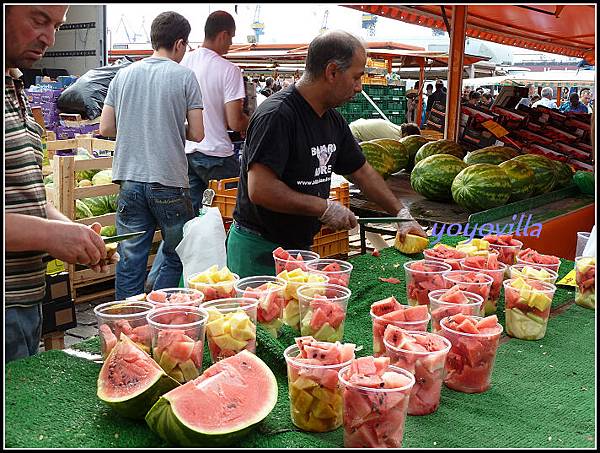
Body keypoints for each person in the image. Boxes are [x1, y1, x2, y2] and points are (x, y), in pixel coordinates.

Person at [226, 30, 426, 277]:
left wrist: (400, 214)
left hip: (299, 246)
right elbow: (261, 189)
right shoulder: (277, 115)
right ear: (332, 72)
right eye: (356, 77)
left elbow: (361, 171)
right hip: (260, 248)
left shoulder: (333, 120)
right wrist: (324, 207)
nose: (358, 87)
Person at [5, 5, 117, 363]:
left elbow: (29, 196)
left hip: (24, 301)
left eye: (56, 25)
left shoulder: (14, 83)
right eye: (39, 20)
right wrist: (50, 237)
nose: (49, 37)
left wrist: (73, 234)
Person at [99, 11, 204, 299]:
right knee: (176, 253)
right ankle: (161, 316)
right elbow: (198, 133)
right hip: (169, 178)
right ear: (180, 43)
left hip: (129, 179)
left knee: (130, 259)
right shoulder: (184, 76)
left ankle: (128, 326)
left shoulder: (123, 75)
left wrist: (140, 123)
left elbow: (106, 127)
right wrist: (168, 124)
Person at [180, 10, 249, 215]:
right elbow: (235, 122)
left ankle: (190, 249)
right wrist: (251, 123)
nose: (230, 45)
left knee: (192, 218)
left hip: (188, 152)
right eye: (231, 39)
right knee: (233, 214)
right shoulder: (229, 70)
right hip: (217, 156)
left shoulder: (183, 63)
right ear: (223, 35)